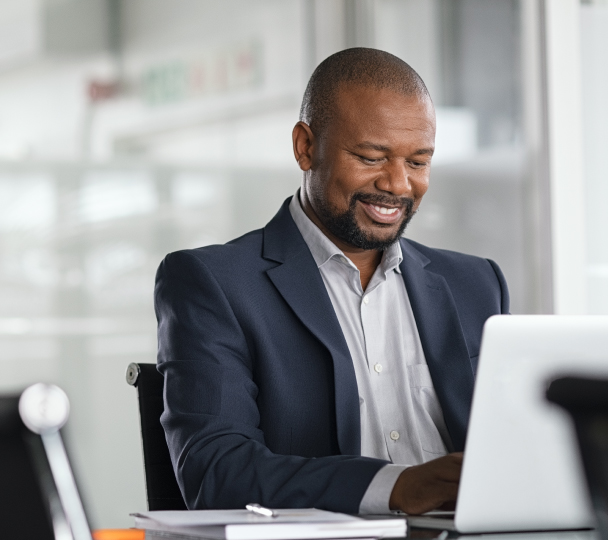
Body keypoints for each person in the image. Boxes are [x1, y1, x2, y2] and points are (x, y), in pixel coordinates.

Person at [154, 48, 509, 515]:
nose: (399, 185)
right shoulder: (214, 283)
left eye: (419, 162)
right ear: (306, 147)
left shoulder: (476, 283)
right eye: (370, 157)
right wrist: (396, 487)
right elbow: (218, 472)